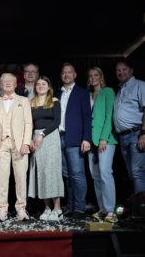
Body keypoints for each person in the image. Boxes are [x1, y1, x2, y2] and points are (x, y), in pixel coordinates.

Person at [0, 73, 32, 221]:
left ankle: (21, 208)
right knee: (2, 178)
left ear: (15, 85)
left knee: (20, 178)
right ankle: (2, 210)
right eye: (4, 81)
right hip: (2, 144)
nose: (7, 83)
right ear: (1, 85)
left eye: (10, 81)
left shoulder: (24, 101)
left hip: (19, 144)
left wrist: (26, 143)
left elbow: (28, 123)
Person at [57, 62, 91, 219]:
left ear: (75, 75)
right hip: (59, 138)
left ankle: (80, 207)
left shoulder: (82, 93)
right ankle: (70, 206)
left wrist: (86, 139)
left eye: (69, 72)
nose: (66, 75)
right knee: (66, 175)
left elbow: (86, 117)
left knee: (77, 174)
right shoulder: (57, 93)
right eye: (64, 72)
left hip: (75, 139)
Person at [28, 76, 64, 221]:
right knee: (40, 172)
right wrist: (30, 139)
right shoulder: (32, 103)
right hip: (36, 138)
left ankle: (57, 208)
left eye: (44, 84)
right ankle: (47, 208)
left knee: (52, 172)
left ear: (49, 87)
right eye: (38, 84)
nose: (41, 86)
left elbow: (57, 121)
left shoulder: (54, 101)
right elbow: (29, 123)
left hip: (49, 137)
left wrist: (42, 134)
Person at [87, 66, 118, 223]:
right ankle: (103, 209)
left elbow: (109, 115)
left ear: (101, 76)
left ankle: (111, 210)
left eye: (96, 75)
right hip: (90, 140)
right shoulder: (88, 94)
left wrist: (103, 138)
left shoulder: (108, 92)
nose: (93, 78)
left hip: (105, 139)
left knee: (105, 173)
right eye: (91, 76)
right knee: (95, 176)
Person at [113, 58, 145, 197]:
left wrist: (144, 133)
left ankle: (141, 211)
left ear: (131, 70)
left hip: (136, 134)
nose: (121, 72)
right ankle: (137, 208)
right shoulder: (120, 90)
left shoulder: (140, 85)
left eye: (124, 69)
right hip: (123, 137)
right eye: (118, 70)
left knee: (138, 171)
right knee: (131, 173)